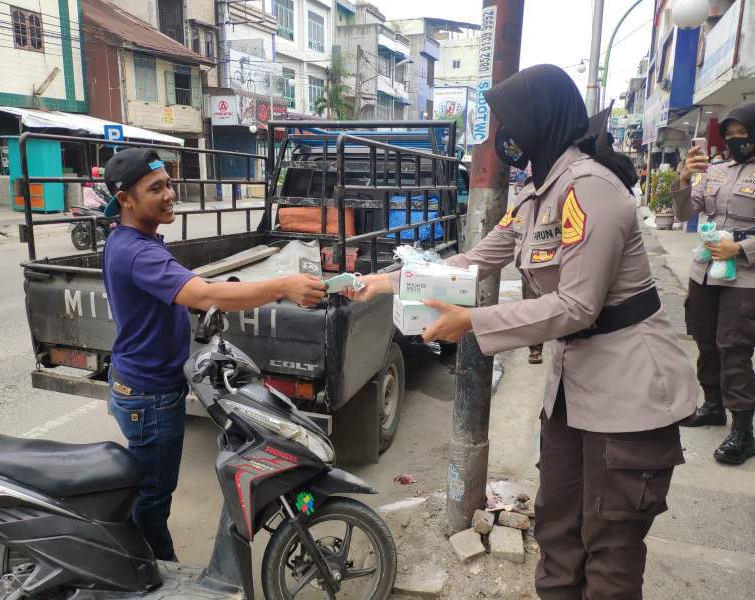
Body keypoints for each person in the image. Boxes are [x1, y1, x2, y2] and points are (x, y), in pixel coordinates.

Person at [346, 65, 696, 600]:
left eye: (507, 123)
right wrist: (386, 282)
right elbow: (472, 262)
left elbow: (577, 305)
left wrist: (472, 322)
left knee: (610, 549)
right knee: (557, 526)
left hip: (629, 396)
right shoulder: (535, 197)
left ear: (542, 119)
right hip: (572, 391)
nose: (498, 138)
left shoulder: (589, 190)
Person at [101, 148, 326, 560]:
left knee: (150, 487)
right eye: (156, 188)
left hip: (141, 381)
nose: (169, 194)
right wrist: (282, 286)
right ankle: (152, 574)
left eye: (169, 184)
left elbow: (180, 293)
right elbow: (202, 294)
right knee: (152, 495)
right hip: (148, 395)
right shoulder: (137, 251)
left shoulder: (135, 240)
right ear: (125, 200)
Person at [672, 102, 755, 465]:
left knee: (733, 347)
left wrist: (740, 246)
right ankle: (713, 405)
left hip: (744, 275)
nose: (737, 141)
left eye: (744, 135)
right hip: (704, 269)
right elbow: (686, 212)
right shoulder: (716, 170)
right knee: (705, 339)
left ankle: (743, 431)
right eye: (731, 135)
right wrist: (684, 179)